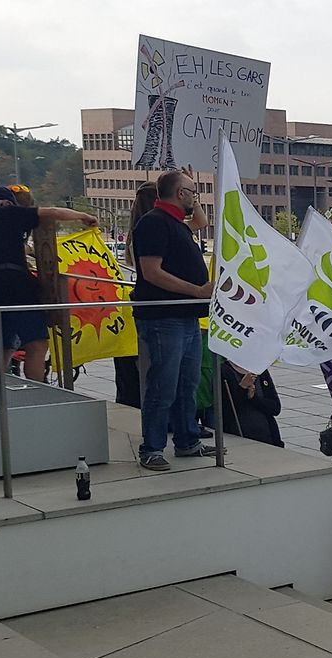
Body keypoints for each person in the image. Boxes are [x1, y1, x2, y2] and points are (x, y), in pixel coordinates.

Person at [130, 169, 217, 471]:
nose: (195, 197)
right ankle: (152, 448)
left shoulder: (178, 224)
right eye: (193, 192)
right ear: (180, 194)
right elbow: (152, 272)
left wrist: (194, 189)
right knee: (163, 385)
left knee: (187, 383)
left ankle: (187, 439)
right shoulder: (153, 224)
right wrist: (197, 291)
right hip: (163, 317)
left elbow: (201, 221)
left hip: (185, 317)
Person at [0, 186, 98, 382]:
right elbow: (52, 212)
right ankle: (36, 392)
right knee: (36, 345)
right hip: (17, 287)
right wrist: (82, 215)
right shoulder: (8, 213)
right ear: (6, 203)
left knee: (2, 349)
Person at [217, 361, 283, 447]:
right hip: (239, 436)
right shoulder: (223, 371)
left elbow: (275, 408)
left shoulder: (260, 370)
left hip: (268, 435)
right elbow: (226, 410)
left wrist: (253, 398)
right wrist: (242, 388)